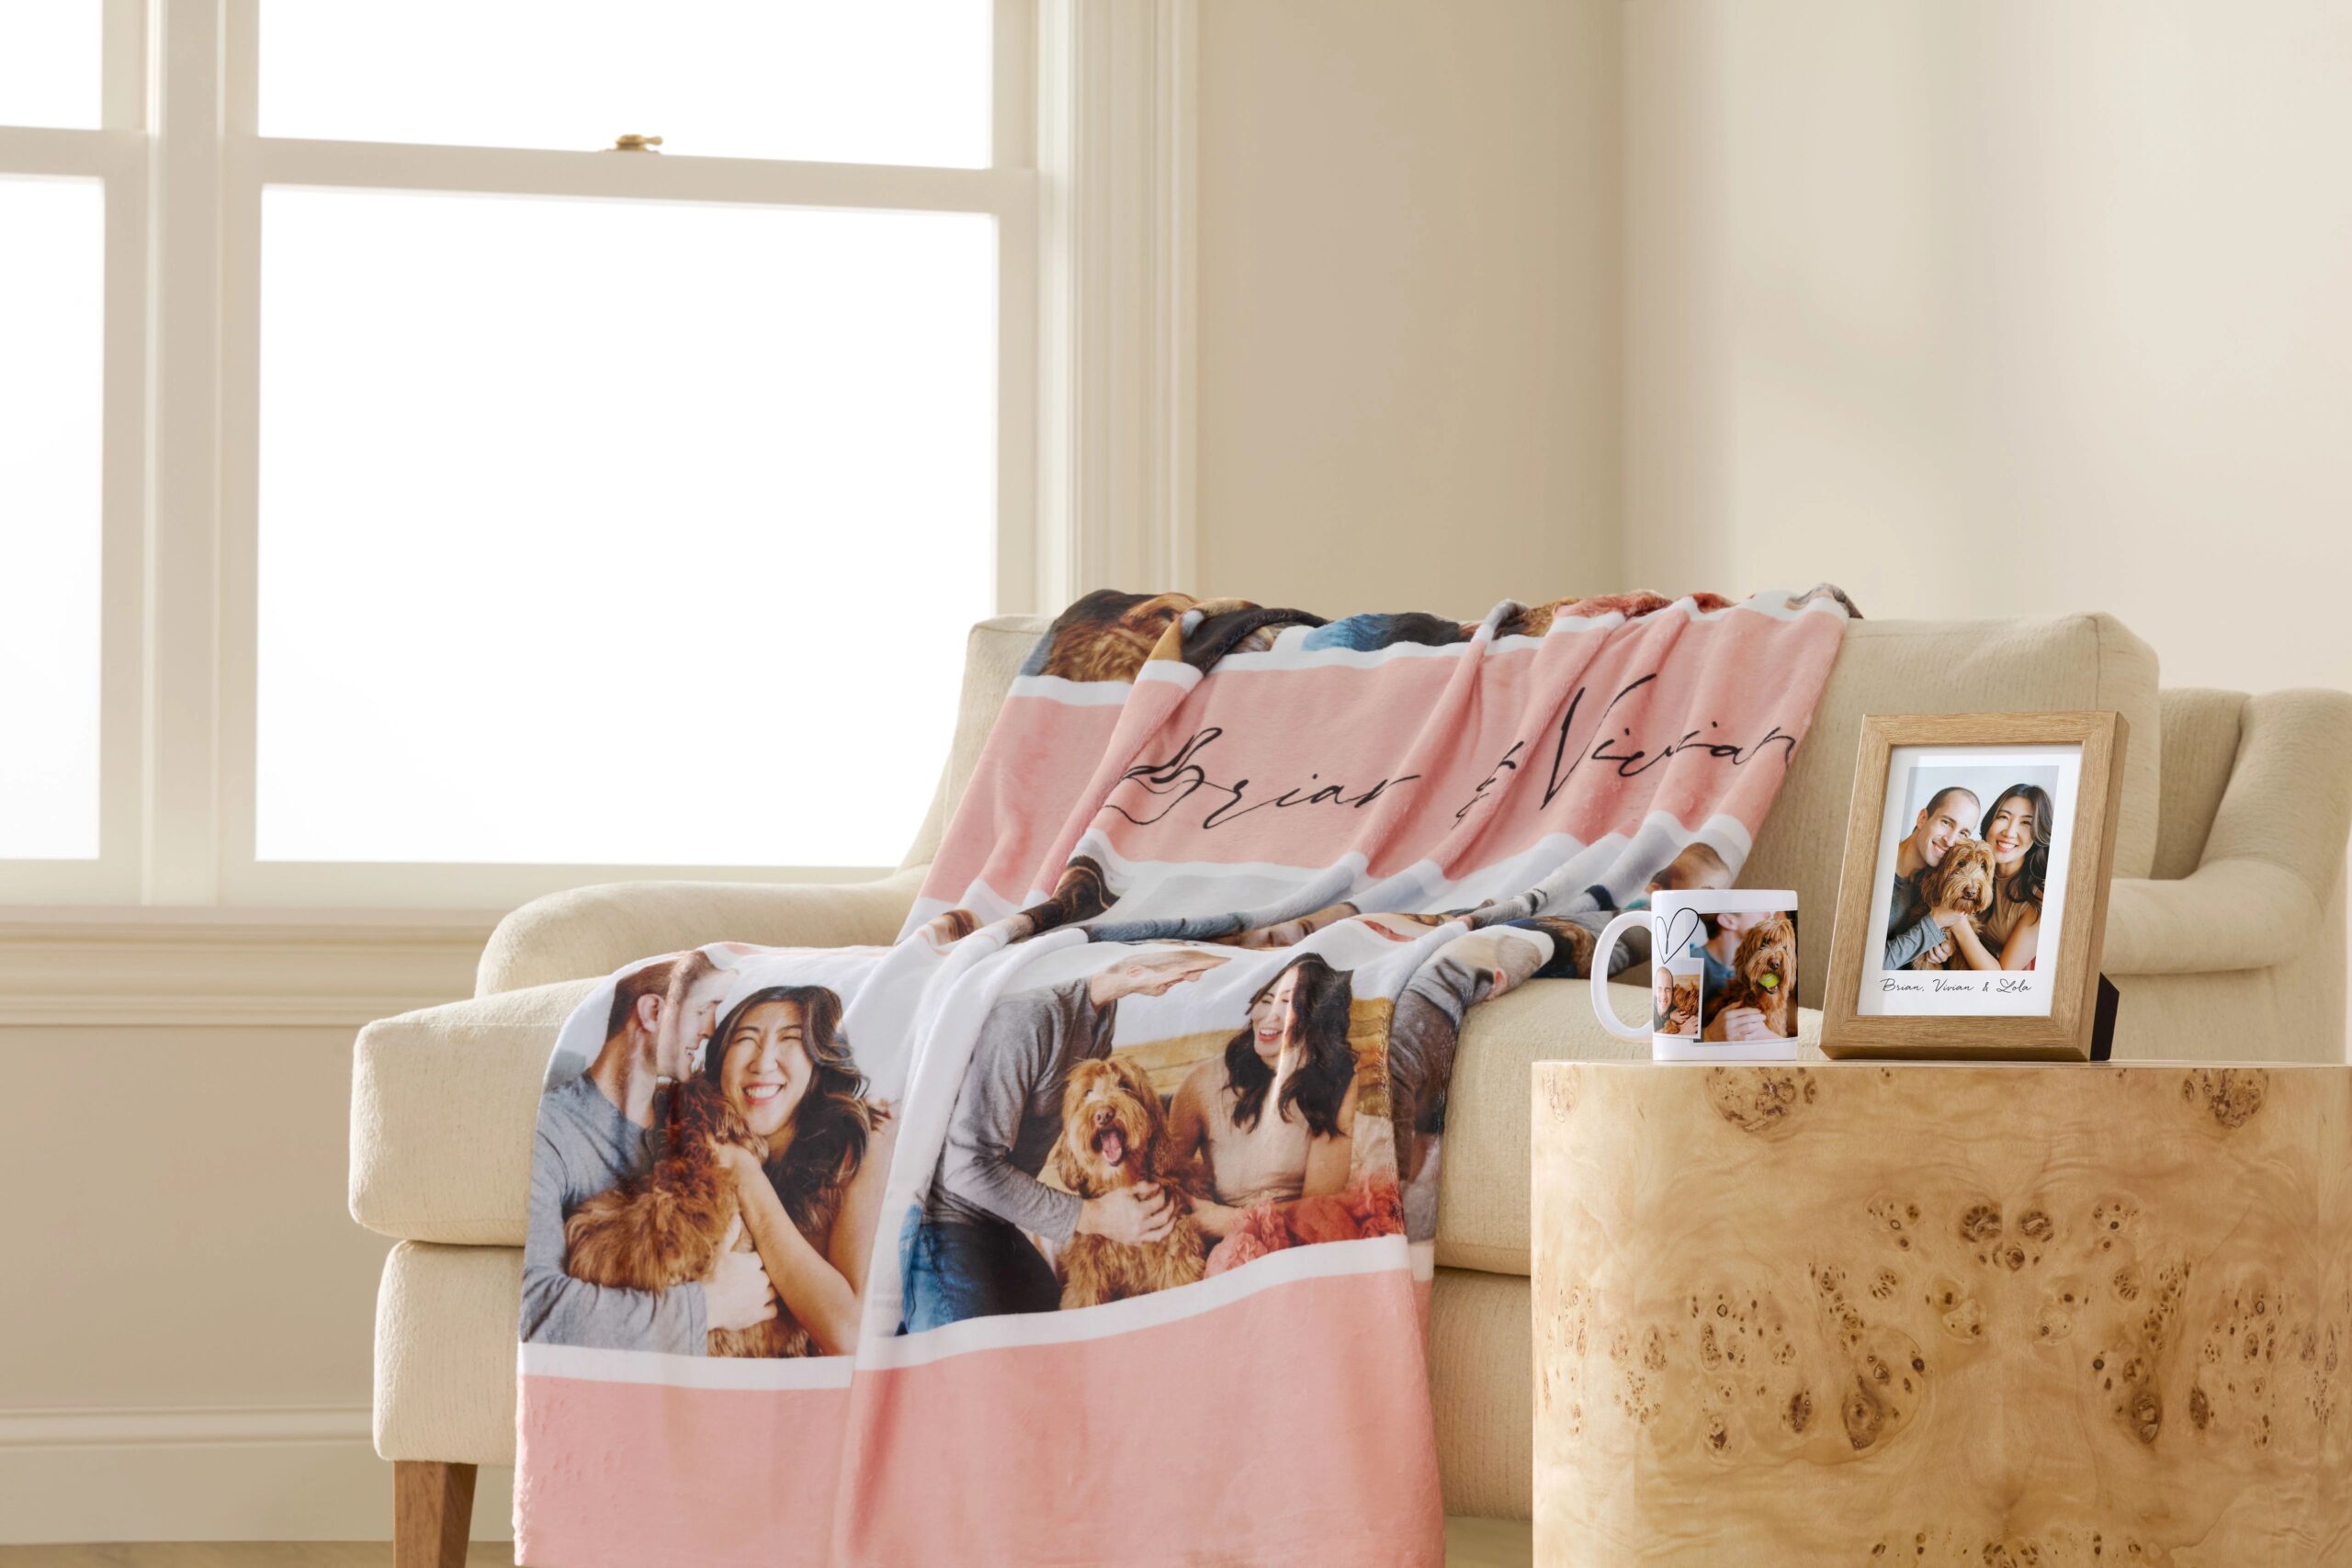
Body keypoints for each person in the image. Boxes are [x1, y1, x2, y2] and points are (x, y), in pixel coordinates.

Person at [900, 949, 1228, 1331]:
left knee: (1058, 1342)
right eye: (1181, 966)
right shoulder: (1026, 1019)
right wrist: (1094, 1216)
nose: (1190, 976)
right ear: (1136, 966)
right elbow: (966, 1168)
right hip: (943, 1220)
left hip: (1000, 1220)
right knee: (969, 1367)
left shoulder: (1100, 1015)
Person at [520, 952, 776, 1351]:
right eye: (703, 1010)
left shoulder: (699, 1117)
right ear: (653, 1011)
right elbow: (540, 1314)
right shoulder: (557, 1128)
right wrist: (709, 1306)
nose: (711, 1030)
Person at [703, 987, 895, 1357]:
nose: (763, 1061)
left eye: (790, 1039)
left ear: (819, 1062)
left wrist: (746, 1176)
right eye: (746, 1039)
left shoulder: (865, 1142)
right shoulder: (691, 1143)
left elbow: (847, 1336)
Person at [1168, 955, 1360, 1236]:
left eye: (1290, 1006)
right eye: (1267, 1001)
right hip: (1225, 1241)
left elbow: (1320, 1211)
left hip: (1300, 1239)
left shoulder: (1338, 1083)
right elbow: (1165, 1176)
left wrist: (1228, 1220)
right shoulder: (1202, 1083)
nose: (1270, 1017)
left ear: (1318, 1021)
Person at [1939, 784, 2052, 971]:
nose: (2009, 832)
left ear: (2038, 833)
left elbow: (2000, 978)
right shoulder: (1970, 866)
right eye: (2003, 817)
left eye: (2026, 823)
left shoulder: (2041, 898)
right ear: (1990, 822)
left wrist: (1957, 920)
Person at [1882, 785, 1981, 970]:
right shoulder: (1876, 870)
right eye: (1946, 822)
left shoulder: (1938, 881)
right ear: (1922, 819)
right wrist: (1935, 923)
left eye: (1963, 833)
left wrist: (1946, 943)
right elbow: (1865, 963)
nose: (1950, 841)